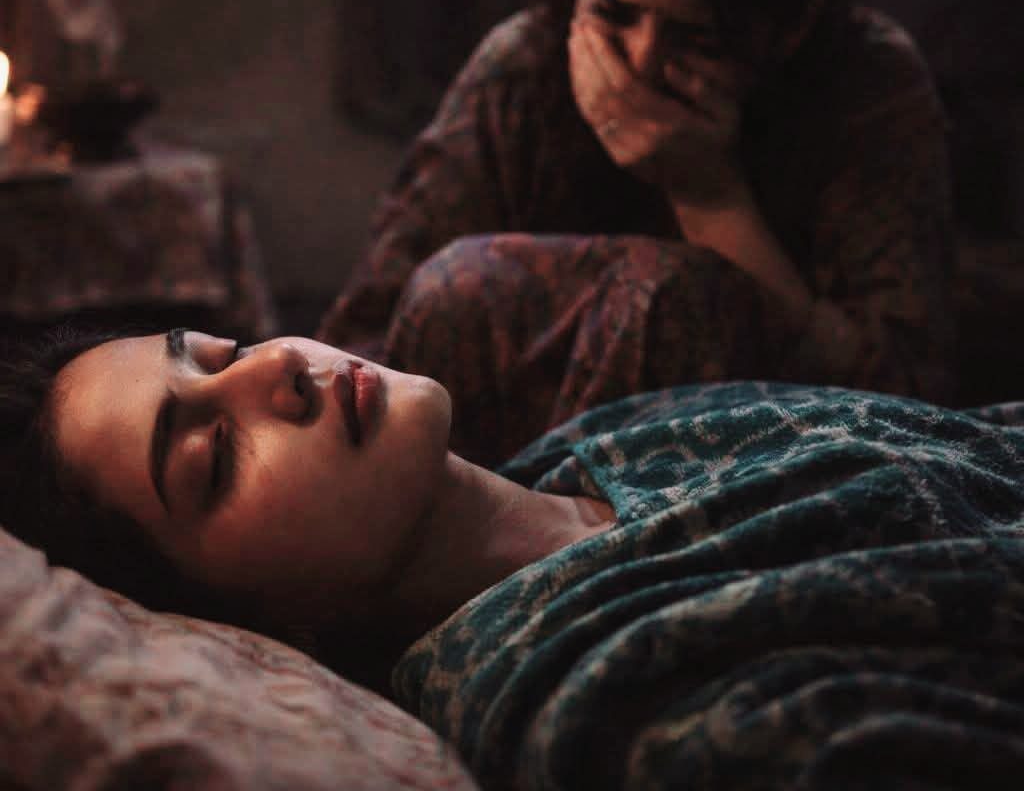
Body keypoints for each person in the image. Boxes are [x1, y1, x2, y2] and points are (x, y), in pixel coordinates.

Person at [2, 325, 1023, 789]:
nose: (279, 367)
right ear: (251, 623)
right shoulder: (616, 705)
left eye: (220, 353)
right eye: (213, 458)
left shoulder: (598, 440)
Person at [317, 0, 956, 466]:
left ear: (790, 27)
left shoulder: (866, 84)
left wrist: (710, 196)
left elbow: (898, 395)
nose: (643, 61)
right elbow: (373, 333)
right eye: (615, 14)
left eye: (697, 36)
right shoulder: (527, 66)